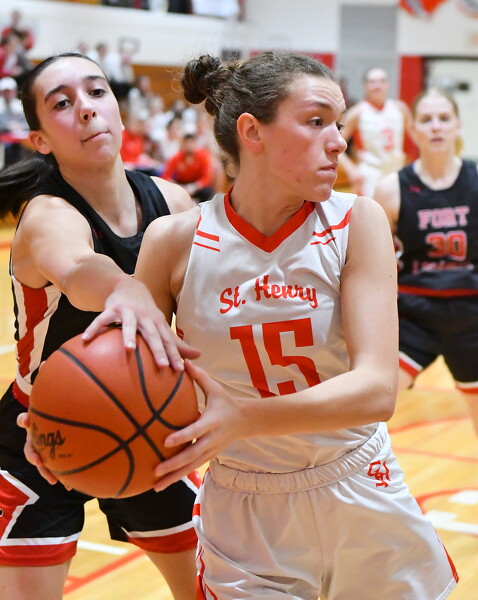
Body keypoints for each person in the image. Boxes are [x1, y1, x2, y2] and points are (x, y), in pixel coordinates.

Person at [96, 51, 458, 599]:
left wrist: (244, 418)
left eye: (338, 124)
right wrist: (63, 428)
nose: (338, 142)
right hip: (244, 511)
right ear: (252, 132)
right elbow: (131, 383)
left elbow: (378, 389)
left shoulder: (355, 221)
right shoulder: (173, 242)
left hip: (359, 484)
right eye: (316, 121)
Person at [0, 53, 201, 600]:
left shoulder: (173, 203)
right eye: (62, 103)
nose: (86, 109)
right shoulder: (47, 215)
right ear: (40, 140)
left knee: (211, 590)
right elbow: (80, 270)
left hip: (151, 420)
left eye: (96, 92)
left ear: (117, 106)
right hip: (39, 431)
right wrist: (125, 287)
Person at [374, 87, 478, 436]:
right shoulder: (391, 189)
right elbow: (371, 265)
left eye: (444, 118)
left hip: (471, 315)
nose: (436, 126)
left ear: (457, 126)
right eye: (427, 119)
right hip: (414, 316)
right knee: (369, 407)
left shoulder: (475, 179)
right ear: (413, 129)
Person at [339, 66, 413, 197]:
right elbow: (335, 144)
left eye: (382, 81)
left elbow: (418, 137)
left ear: (388, 85)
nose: (377, 86)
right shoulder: (357, 113)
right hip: (370, 174)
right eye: (372, 82)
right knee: (372, 209)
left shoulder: (400, 108)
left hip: (396, 171)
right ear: (365, 86)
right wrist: (351, 170)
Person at [161, 133, 214, 203]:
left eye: (191, 143)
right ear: (183, 144)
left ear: (196, 144)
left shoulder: (203, 156)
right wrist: (177, 186)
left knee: (207, 192)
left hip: (196, 185)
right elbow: (165, 176)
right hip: (181, 184)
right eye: (186, 143)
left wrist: (195, 186)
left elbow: (206, 178)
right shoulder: (176, 158)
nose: (189, 145)